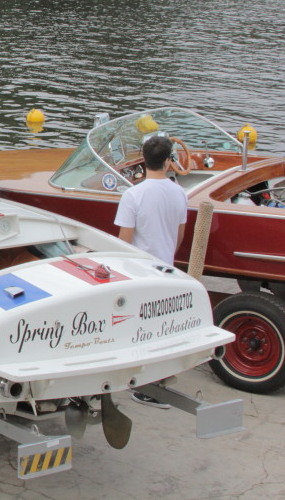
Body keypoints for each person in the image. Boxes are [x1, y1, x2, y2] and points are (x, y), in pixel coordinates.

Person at [114, 134, 188, 409]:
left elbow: (125, 239)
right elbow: (179, 234)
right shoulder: (179, 193)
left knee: (139, 327)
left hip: (139, 269)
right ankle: (161, 379)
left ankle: (146, 386)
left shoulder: (133, 195)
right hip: (165, 266)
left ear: (143, 161)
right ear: (169, 162)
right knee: (161, 326)